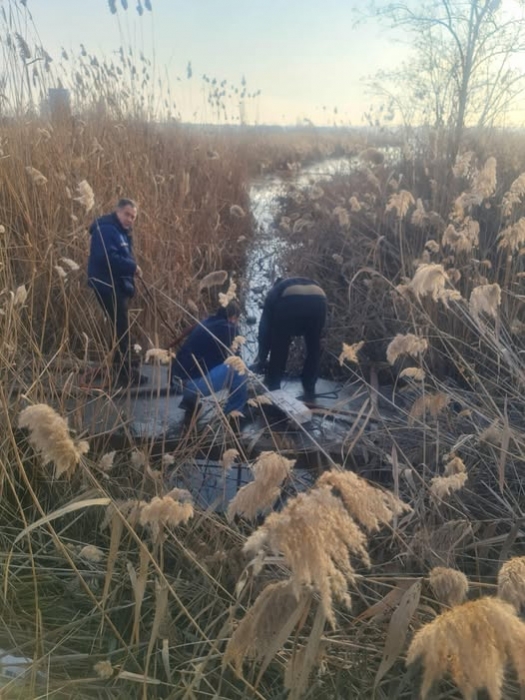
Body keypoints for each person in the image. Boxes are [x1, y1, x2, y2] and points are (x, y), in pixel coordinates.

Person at [87, 198, 146, 387]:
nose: (130, 219)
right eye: (127, 214)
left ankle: (122, 370)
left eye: (133, 217)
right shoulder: (106, 229)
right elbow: (106, 257)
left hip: (116, 286)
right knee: (121, 331)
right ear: (118, 212)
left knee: (120, 329)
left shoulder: (120, 232)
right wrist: (132, 267)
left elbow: (119, 256)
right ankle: (124, 376)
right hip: (106, 286)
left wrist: (131, 270)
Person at [252, 277, 327, 401]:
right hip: (319, 301)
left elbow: (264, 331)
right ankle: (309, 385)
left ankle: (274, 384)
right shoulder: (301, 282)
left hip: (290, 303)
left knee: (280, 345)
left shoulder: (273, 293)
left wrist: (262, 359)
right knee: (314, 345)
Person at [170, 301, 248, 415]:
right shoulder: (229, 328)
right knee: (238, 369)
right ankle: (234, 413)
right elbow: (238, 359)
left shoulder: (207, 322)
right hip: (192, 386)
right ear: (233, 318)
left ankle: (189, 402)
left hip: (176, 381)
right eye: (237, 319)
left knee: (201, 364)